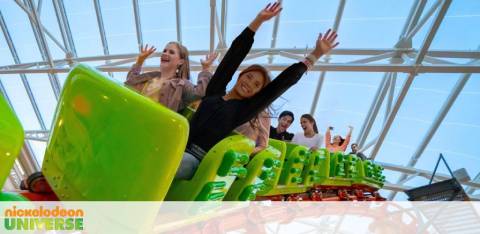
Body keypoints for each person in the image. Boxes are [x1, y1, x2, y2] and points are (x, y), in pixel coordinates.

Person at [175, 1, 339, 180]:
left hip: (195, 161)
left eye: (256, 85)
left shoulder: (242, 111)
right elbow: (232, 57)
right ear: (241, 75)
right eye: (249, 77)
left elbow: (279, 85)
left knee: (178, 162)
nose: (250, 84)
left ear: (256, 94)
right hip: (177, 146)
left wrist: (315, 55)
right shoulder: (215, 92)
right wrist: (258, 21)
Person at [125, 42, 218, 112]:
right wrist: (140, 61)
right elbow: (130, 81)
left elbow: (200, 92)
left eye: (171, 52)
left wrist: (205, 69)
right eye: (164, 51)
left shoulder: (181, 84)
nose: (165, 53)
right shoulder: (150, 77)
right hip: (134, 116)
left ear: (180, 62)